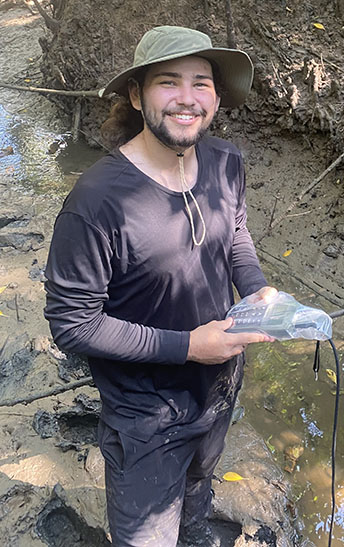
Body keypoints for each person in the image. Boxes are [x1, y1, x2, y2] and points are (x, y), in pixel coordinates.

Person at [44, 25, 277, 547]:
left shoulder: (226, 161)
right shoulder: (97, 201)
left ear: (216, 96)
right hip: (143, 413)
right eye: (169, 82)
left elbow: (235, 232)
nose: (187, 99)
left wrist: (259, 291)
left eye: (202, 83)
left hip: (218, 387)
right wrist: (189, 346)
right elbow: (72, 323)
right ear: (136, 95)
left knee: (198, 492)